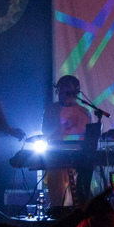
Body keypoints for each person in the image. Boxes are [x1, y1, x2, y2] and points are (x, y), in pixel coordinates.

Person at [42, 75, 93, 208]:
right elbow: (46, 131)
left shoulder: (84, 111)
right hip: (57, 159)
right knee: (58, 197)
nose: (67, 92)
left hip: (80, 159)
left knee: (82, 196)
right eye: (65, 88)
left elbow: (89, 137)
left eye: (71, 89)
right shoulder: (51, 110)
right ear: (58, 90)